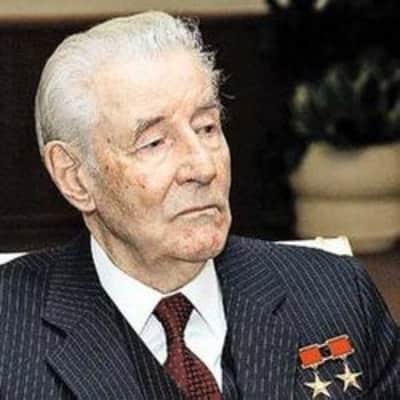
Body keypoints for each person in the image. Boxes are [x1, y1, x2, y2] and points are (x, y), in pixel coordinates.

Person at [0, 11, 398, 400]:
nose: (204, 167)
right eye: (154, 143)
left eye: (206, 127)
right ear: (74, 177)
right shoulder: (10, 334)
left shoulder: (336, 292)